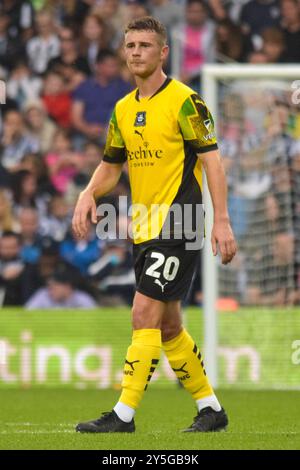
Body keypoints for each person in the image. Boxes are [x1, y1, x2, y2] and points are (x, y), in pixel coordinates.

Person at [72, 16, 237, 434]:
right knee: (168, 326)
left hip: (179, 222)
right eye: (130, 46)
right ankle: (210, 409)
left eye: (145, 45)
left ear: (163, 52)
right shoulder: (123, 109)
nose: (136, 53)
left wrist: (221, 220)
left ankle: (123, 415)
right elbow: (111, 167)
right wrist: (88, 192)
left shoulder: (186, 101)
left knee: (142, 313)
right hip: (145, 229)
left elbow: (212, 161)